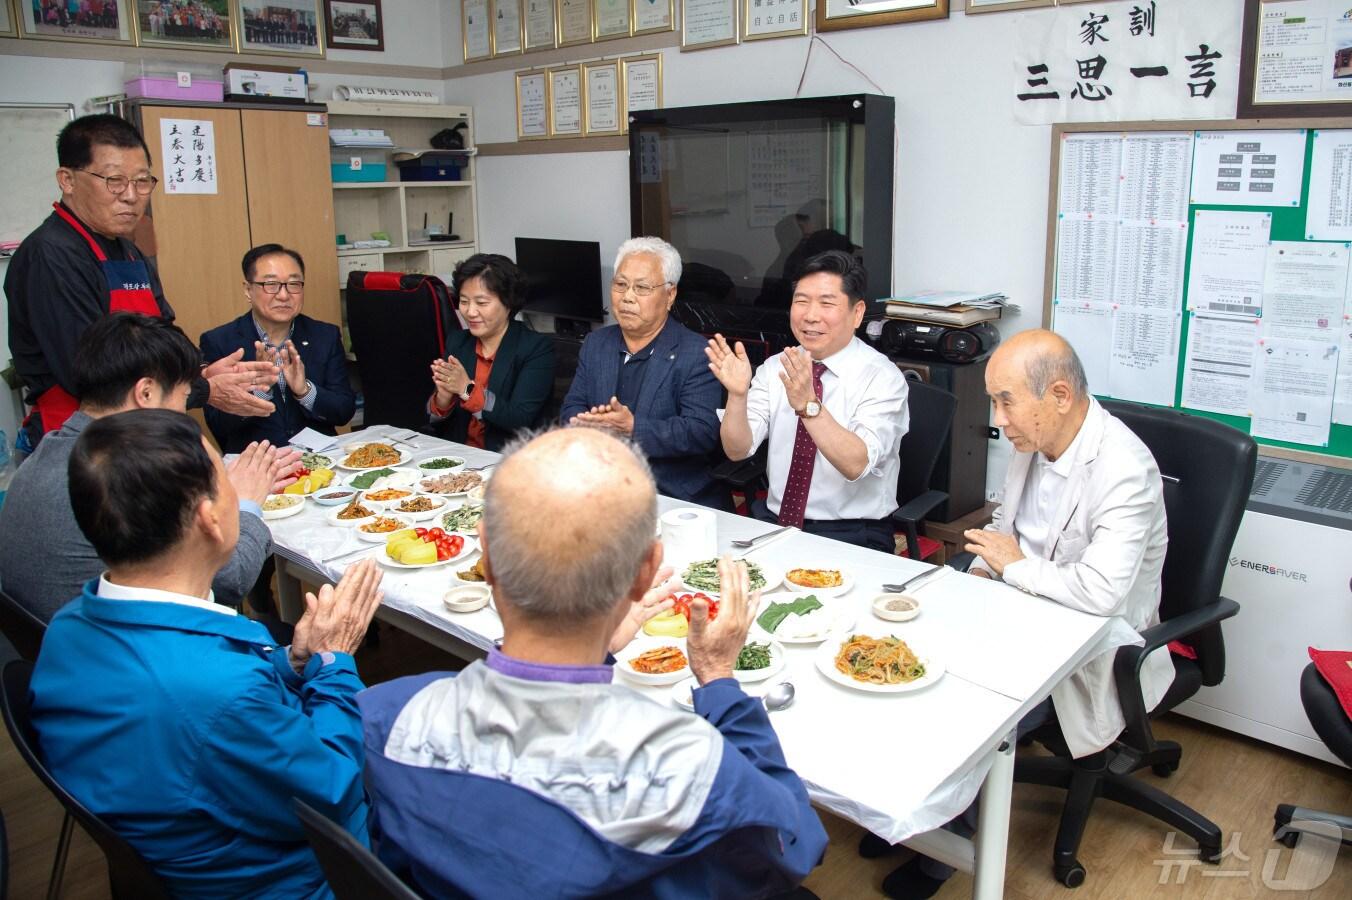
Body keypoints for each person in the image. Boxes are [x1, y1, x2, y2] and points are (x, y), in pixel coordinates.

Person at [358, 427, 827, 897]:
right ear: (647, 572)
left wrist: (598, 649)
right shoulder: (688, 764)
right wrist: (720, 681)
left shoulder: (386, 718)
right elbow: (797, 844)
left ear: (488, 559)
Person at [30, 407, 385, 900]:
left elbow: (206, 700)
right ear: (209, 519)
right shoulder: (216, 692)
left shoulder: (69, 626)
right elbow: (334, 787)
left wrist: (293, 662)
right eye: (229, 484)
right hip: (295, 878)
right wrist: (334, 662)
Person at [874, 329, 1174, 899]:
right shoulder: (1033, 444)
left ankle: (945, 848)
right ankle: (911, 818)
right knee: (913, 652)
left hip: (1094, 639)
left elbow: (1100, 594)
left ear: (1058, 395)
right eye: (994, 401)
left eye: (1005, 401)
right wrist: (984, 570)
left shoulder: (1124, 469)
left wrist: (1010, 567)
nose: (998, 417)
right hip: (1023, 608)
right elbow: (1007, 532)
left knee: (970, 706)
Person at [4, 114, 276, 448]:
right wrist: (202, 390)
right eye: (114, 181)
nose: (131, 196)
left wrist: (202, 369)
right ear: (68, 180)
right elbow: (89, 373)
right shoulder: (51, 255)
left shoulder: (128, 250)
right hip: (81, 442)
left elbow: (163, 331)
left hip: (141, 427)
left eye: (142, 181)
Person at [0, 313, 292, 623]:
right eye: (183, 398)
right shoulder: (127, 473)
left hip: (55, 652)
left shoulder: (48, 451)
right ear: (146, 393)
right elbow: (231, 580)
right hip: (134, 655)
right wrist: (245, 503)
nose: (183, 414)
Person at [708, 250, 910, 553]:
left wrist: (808, 406)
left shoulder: (882, 377)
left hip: (852, 532)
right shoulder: (776, 366)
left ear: (857, 314)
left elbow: (856, 464)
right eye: (801, 301)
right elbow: (737, 450)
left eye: (826, 303)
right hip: (775, 521)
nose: (810, 315)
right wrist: (737, 396)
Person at [560, 237, 724, 508]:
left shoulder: (697, 352)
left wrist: (632, 427)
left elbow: (701, 431)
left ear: (670, 295)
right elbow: (571, 408)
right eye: (620, 284)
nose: (627, 297)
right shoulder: (596, 344)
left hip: (669, 494)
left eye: (642, 288)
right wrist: (586, 424)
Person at [200, 243, 357, 453]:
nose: (284, 295)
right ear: (248, 290)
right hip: (258, 463)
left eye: (294, 284)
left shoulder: (324, 335)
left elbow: (344, 411)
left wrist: (304, 391)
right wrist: (259, 392)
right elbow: (218, 425)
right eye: (271, 284)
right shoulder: (220, 342)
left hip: (321, 460)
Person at [427, 253, 556, 450]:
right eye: (464, 301)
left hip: (509, 461)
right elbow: (437, 424)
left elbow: (519, 419)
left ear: (509, 303)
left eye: (481, 303)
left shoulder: (536, 348)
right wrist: (443, 398)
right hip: (460, 457)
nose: (470, 312)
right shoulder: (458, 342)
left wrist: (466, 389)